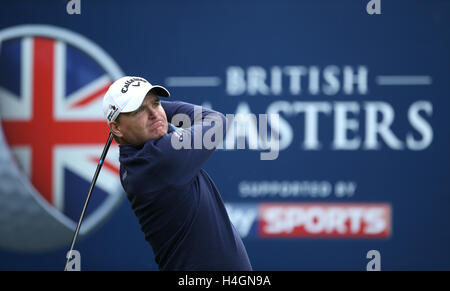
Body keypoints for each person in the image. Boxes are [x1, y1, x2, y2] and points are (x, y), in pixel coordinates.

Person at [102, 76, 252, 271]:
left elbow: (159, 127)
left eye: (156, 103)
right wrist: (159, 109)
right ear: (116, 128)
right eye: (138, 110)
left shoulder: (136, 158)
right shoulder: (163, 158)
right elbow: (216, 120)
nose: (154, 114)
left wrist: (149, 109)